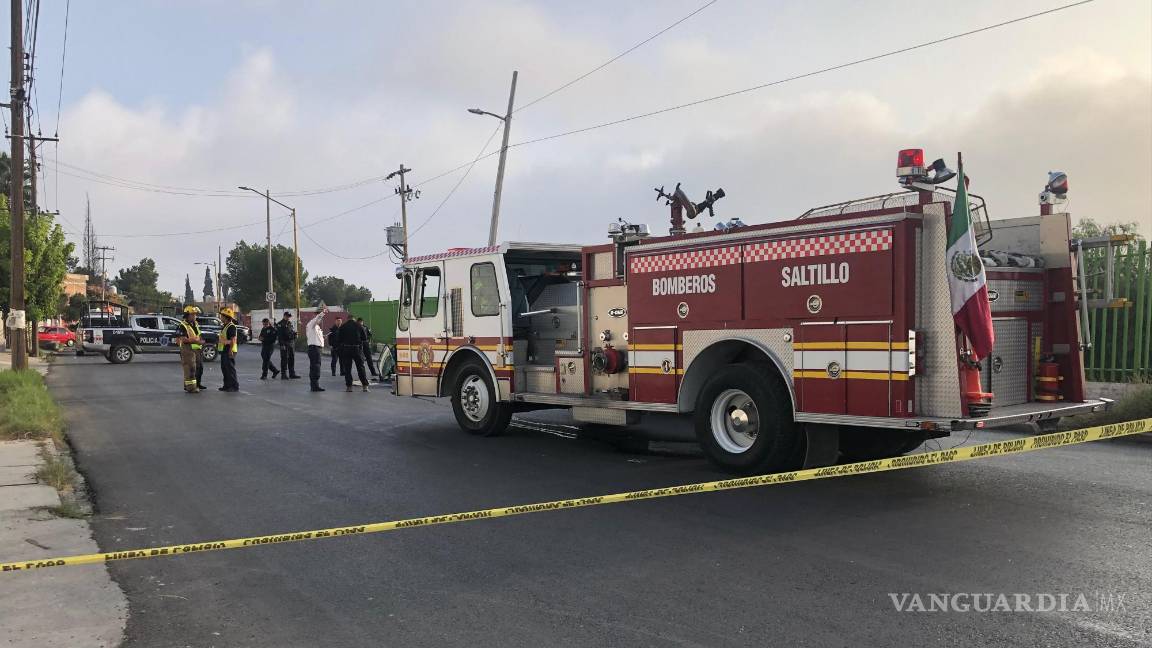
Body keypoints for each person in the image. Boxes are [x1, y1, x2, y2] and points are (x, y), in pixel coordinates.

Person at [174, 305, 204, 394]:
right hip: (187, 349)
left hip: (196, 349)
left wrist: (200, 341)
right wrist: (194, 340)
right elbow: (182, 339)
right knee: (190, 368)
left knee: (197, 368)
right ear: (187, 315)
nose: (195, 316)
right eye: (193, 314)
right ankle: (190, 388)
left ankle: (196, 385)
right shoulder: (183, 325)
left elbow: (198, 335)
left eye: (195, 314)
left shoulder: (195, 324)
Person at [337, 316, 370, 392]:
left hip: (346, 349)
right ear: (354, 319)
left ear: (347, 319)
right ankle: (365, 386)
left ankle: (349, 387)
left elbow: (339, 340)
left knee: (347, 369)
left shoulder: (343, 326)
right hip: (357, 349)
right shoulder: (359, 325)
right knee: (360, 368)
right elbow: (364, 338)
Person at [305, 307, 329, 392]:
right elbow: (317, 318)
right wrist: (323, 312)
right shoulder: (311, 324)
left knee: (315, 367)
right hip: (314, 349)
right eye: (319, 316)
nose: (321, 319)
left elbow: (316, 338)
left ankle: (315, 385)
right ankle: (315, 386)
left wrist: (323, 338)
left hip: (317, 349)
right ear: (315, 316)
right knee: (315, 367)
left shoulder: (317, 327)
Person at [217, 307, 241, 392]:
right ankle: (226, 385)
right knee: (225, 368)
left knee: (230, 369)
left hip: (229, 350)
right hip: (224, 349)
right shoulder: (225, 326)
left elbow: (233, 340)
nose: (221, 317)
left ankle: (234, 386)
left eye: (222, 316)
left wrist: (230, 349)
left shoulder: (231, 327)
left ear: (226, 316)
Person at [275, 311, 301, 379]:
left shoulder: (289, 323)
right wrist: (282, 345)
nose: (288, 317)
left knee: (291, 359)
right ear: (284, 316)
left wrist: (295, 334)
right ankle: (284, 375)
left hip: (291, 343)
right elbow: (280, 336)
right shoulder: (280, 324)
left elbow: (291, 332)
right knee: (284, 359)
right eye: (287, 316)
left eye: (289, 316)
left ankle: (292, 373)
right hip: (284, 343)